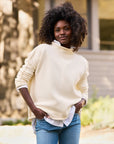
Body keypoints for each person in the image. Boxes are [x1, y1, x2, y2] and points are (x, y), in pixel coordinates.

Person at [15, 2, 89, 144]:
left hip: (72, 121)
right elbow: (20, 80)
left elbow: (84, 89)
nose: (62, 32)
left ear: (74, 29)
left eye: (66, 29)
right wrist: (34, 109)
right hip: (46, 119)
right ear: (52, 32)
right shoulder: (43, 50)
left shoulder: (81, 61)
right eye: (57, 30)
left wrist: (82, 102)